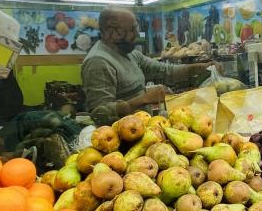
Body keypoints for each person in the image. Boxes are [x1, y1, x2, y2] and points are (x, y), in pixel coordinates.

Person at [82, 8, 210, 125]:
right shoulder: (98, 61)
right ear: (111, 32)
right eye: (132, 30)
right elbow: (99, 114)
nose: (137, 35)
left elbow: (166, 71)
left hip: (142, 128)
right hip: (120, 137)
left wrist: (203, 67)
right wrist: (144, 99)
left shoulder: (131, 54)